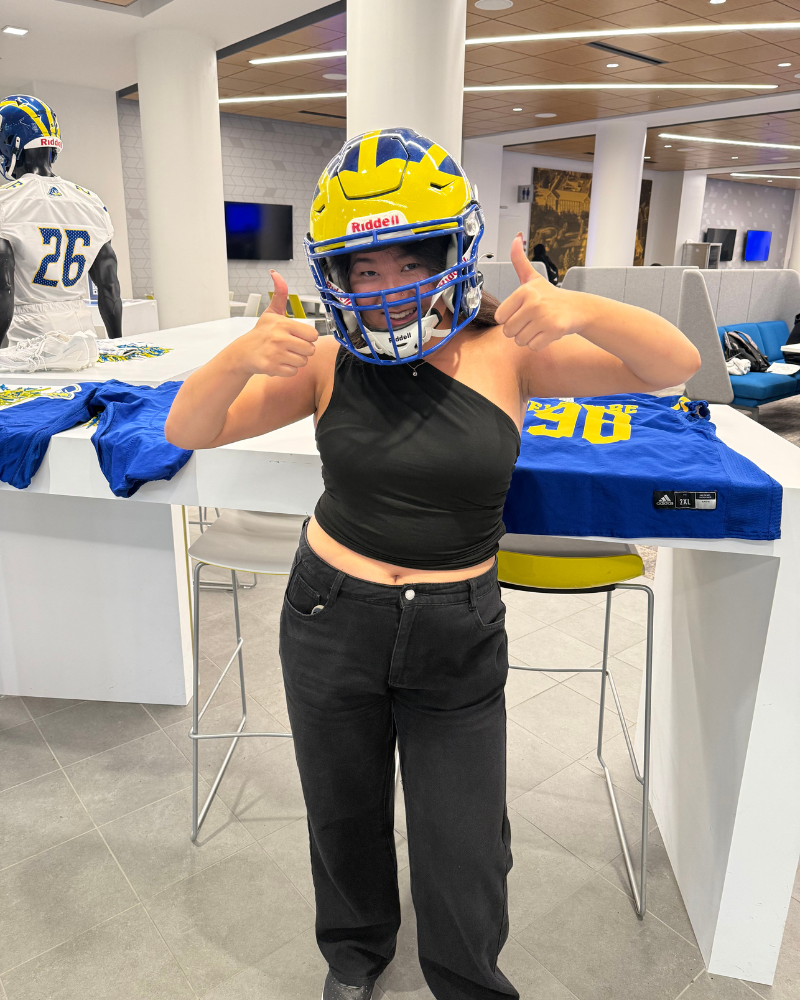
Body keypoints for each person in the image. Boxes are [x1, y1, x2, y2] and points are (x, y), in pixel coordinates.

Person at [165, 127, 700, 1000]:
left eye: (409, 260)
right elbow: (188, 427)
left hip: (456, 631)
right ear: (336, 277)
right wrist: (239, 356)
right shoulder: (327, 359)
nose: (386, 289)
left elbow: (674, 363)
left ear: (451, 255)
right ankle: (354, 957)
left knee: (465, 842)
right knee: (342, 816)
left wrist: (580, 309)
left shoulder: (509, 351)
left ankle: (467, 980)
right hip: (330, 617)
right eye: (364, 270)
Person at [0, 95, 123, 349]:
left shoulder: (6, 201)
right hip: (84, 338)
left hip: (28, 343)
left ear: (10, 142)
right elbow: (109, 288)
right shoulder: (91, 201)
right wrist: (119, 344)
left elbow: (3, 292)